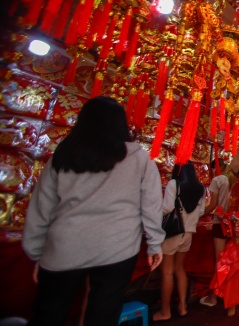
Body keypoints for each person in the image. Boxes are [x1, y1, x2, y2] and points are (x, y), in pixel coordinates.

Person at [22, 96, 164, 326]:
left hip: (64, 249)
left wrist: (36, 253)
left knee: (49, 314)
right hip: (117, 248)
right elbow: (151, 203)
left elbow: (41, 208)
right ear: (121, 123)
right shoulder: (137, 156)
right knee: (103, 315)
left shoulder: (65, 153)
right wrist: (155, 243)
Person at [201, 134, 239, 315]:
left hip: (220, 224)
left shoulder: (218, 180)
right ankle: (232, 303)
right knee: (233, 262)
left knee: (219, 261)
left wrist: (201, 212)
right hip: (237, 225)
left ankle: (214, 298)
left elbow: (212, 206)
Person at [153, 163, 206, 321]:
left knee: (167, 271)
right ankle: (183, 307)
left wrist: (152, 213)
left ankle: (165, 311)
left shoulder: (174, 184)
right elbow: (202, 211)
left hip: (173, 232)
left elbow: (167, 208)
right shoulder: (200, 188)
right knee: (179, 269)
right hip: (188, 234)